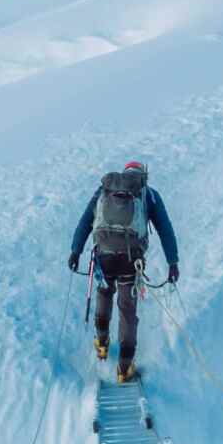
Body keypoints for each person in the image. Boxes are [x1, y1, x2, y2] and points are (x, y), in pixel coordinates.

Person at [68, 161, 179, 383]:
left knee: (104, 293)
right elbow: (165, 228)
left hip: (104, 254)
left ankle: (101, 344)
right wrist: (172, 262)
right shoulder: (149, 194)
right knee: (127, 309)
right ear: (142, 176)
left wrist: (75, 251)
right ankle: (125, 367)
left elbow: (86, 221)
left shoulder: (105, 190)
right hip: (131, 259)